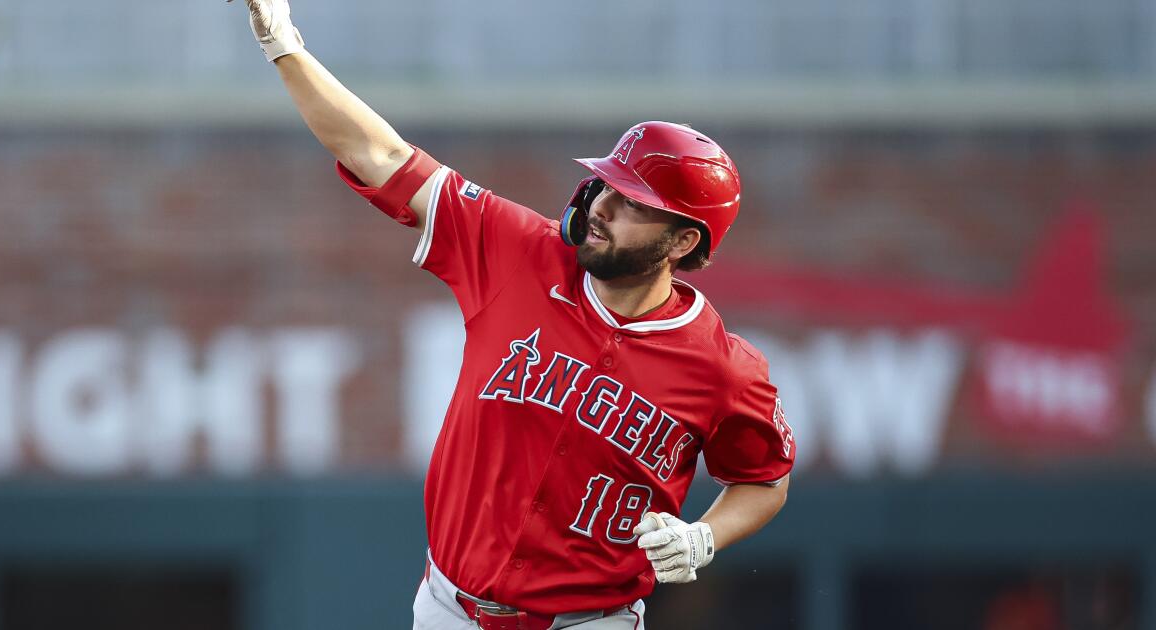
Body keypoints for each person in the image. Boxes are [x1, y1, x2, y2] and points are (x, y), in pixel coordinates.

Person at [229, 1, 796, 628]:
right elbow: (381, 155)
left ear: (684, 241)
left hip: (591, 620)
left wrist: (704, 536)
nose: (604, 208)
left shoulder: (724, 368)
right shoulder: (519, 252)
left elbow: (765, 479)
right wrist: (285, 47)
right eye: (607, 187)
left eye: (634, 203)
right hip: (450, 609)